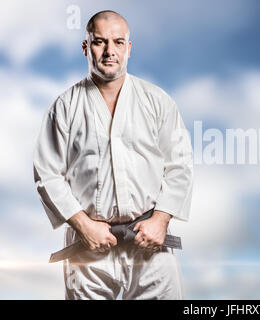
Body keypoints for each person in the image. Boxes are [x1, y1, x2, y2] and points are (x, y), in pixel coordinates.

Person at [33, 10, 194, 300]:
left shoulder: (157, 101)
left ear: (129, 48)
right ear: (86, 47)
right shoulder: (65, 107)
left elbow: (179, 164)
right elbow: (47, 173)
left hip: (149, 242)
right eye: (100, 42)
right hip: (89, 247)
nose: (110, 51)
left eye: (118, 42)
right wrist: (83, 226)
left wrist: (160, 220)